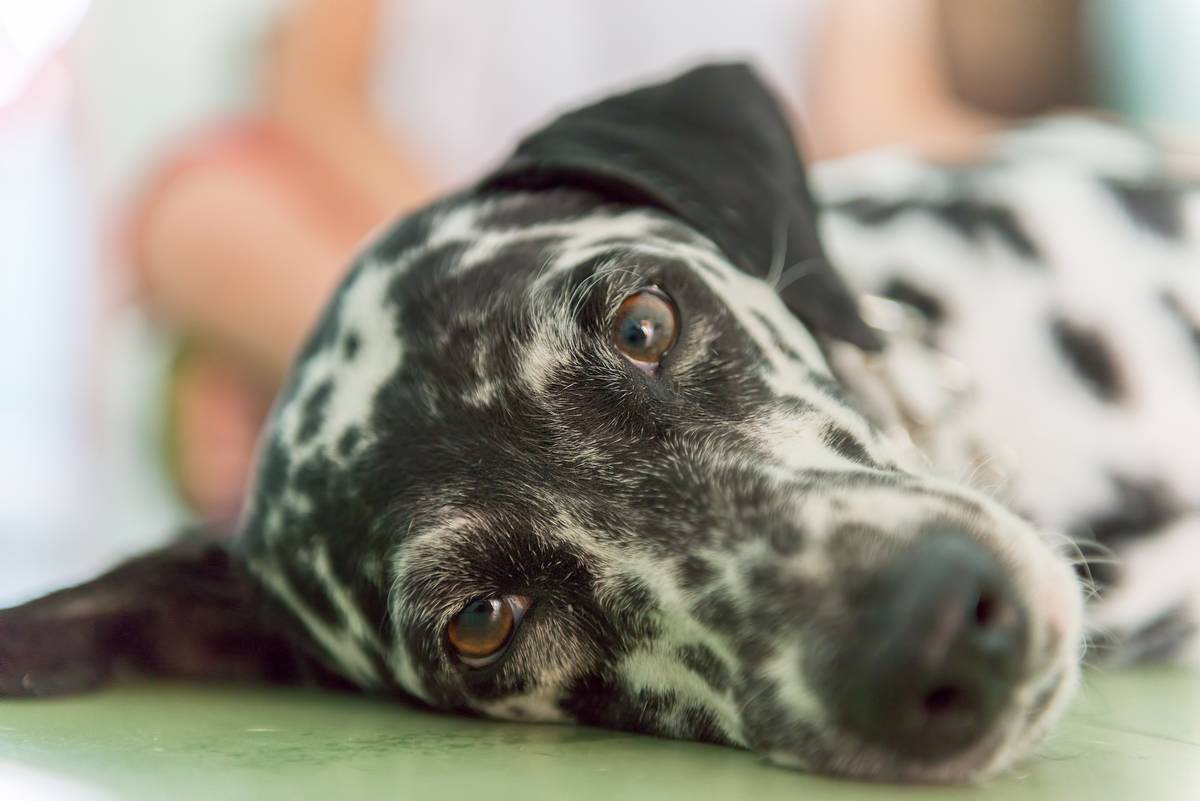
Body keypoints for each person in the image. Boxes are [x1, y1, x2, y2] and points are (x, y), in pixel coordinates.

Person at [121, 0, 1085, 524]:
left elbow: (876, 126)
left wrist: (1107, 155)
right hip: (433, 234)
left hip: (673, 300)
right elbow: (316, 92)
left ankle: (364, 434)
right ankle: (378, 406)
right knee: (205, 211)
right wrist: (485, 240)